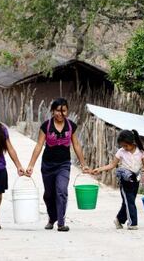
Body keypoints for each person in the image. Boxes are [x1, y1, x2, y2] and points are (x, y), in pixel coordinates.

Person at [26, 98, 89, 232]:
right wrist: (31, 165)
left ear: (67, 111)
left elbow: (76, 145)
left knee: (61, 191)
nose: (60, 114)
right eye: (57, 111)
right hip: (48, 165)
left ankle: (61, 223)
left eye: (63, 111)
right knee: (49, 195)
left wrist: (83, 164)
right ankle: (51, 218)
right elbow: (39, 145)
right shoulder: (46, 126)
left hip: (64, 165)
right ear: (52, 111)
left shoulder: (71, 126)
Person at [92, 130, 144, 230]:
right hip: (125, 181)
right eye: (123, 146)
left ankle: (119, 219)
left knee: (128, 202)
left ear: (132, 142)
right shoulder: (121, 152)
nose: (124, 148)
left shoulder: (141, 152)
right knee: (130, 201)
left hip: (136, 180)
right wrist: (100, 169)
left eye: (126, 146)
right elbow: (112, 165)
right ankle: (132, 223)